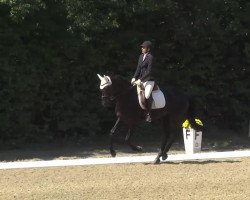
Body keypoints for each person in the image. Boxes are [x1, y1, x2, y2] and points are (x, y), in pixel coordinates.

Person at [131, 41, 155, 122]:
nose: (142, 48)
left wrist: (140, 80)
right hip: (140, 80)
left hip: (149, 80)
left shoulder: (150, 57)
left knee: (147, 95)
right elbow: (138, 68)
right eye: (142, 47)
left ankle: (149, 113)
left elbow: (149, 72)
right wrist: (134, 77)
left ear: (148, 49)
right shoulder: (141, 56)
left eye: (143, 47)